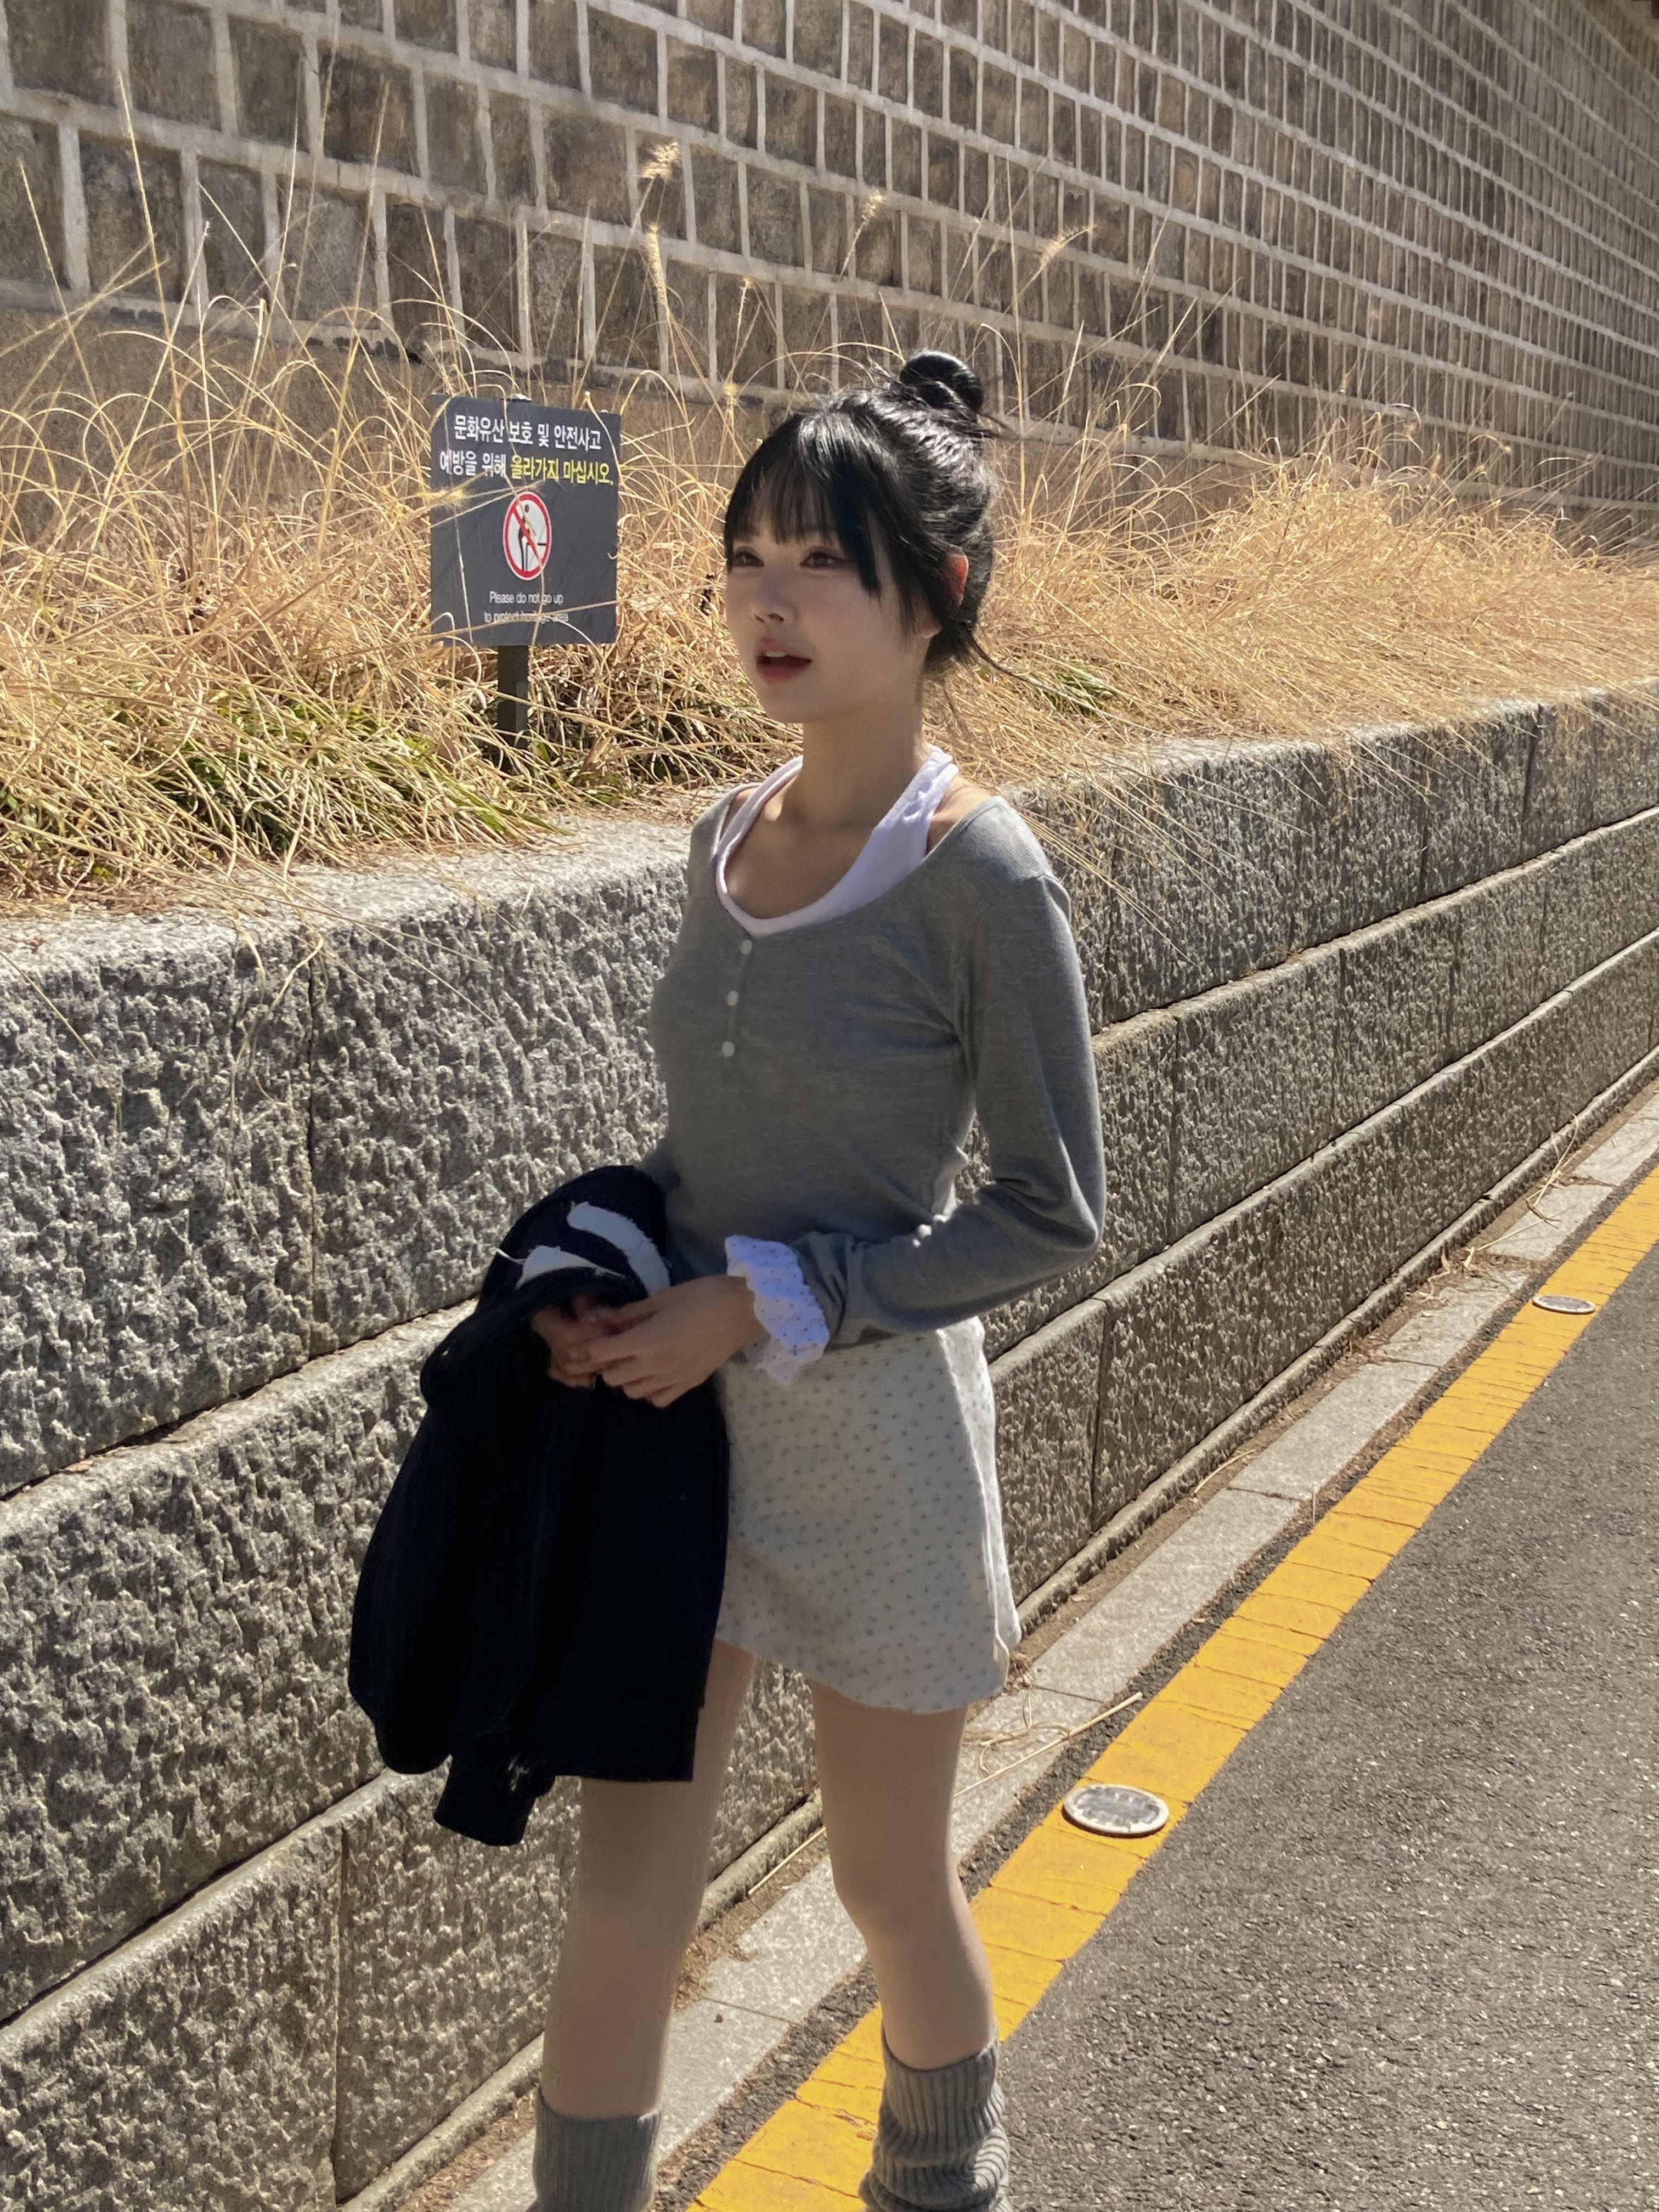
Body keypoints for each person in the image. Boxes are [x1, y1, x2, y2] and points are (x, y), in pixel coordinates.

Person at [526, 351, 1108, 2212]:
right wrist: (606, 1280)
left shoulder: (982, 874)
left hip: (877, 1460)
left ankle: (944, 2185)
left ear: (935, 594)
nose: (770, 601)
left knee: (885, 1884)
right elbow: (700, 1151)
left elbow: (1051, 1211)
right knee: (628, 1890)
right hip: (680, 1442)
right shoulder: (719, 838)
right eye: (747, 558)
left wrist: (767, 1300)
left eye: (824, 564)